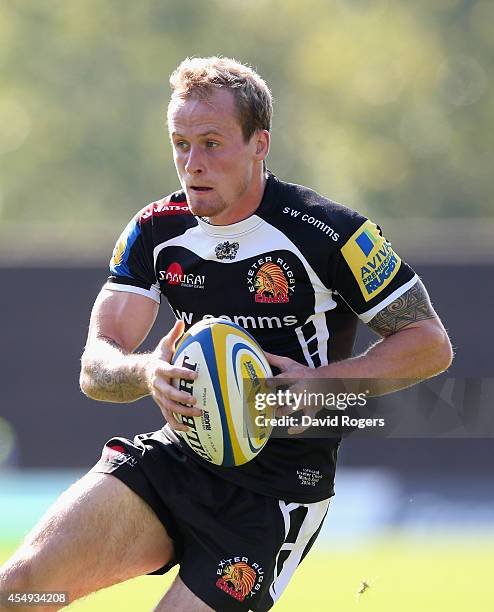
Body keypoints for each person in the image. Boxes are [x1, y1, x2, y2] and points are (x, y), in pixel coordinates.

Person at [0, 56, 453, 611]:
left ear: (259, 143)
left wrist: (323, 383)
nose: (192, 163)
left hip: (275, 494)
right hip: (177, 461)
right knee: (20, 591)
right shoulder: (155, 231)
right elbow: (97, 366)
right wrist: (146, 372)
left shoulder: (330, 232)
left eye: (212, 143)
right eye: (180, 144)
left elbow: (429, 344)